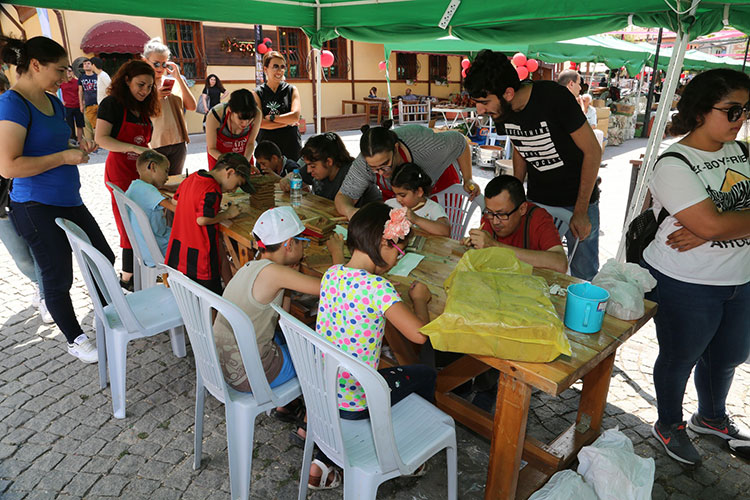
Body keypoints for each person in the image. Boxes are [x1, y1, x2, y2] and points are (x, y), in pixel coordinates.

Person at [641, 69, 750, 465]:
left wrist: (713, 228)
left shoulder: (739, 152)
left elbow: (712, 224)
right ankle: (669, 423)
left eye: (745, 110)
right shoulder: (674, 162)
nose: (741, 119)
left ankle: (711, 417)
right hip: (685, 282)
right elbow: (710, 223)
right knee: (679, 357)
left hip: (740, 277)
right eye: (733, 110)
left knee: (729, 356)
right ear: (702, 110)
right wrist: (711, 228)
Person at [0, 35, 109, 363]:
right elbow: (8, 164)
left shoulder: (56, 102)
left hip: (68, 198)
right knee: (58, 274)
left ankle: (108, 315)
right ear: (35, 65)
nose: (66, 77)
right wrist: (63, 158)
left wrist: (78, 150)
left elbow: (58, 146)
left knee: (103, 257)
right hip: (35, 205)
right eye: (60, 70)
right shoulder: (12, 103)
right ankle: (75, 338)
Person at [465, 50, 602, 280]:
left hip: (579, 199)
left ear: (508, 93)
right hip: (537, 199)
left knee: (583, 273)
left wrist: (580, 210)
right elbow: (520, 144)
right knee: (536, 270)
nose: (480, 110)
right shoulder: (503, 112)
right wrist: (515, 193)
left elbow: (593, 151)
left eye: (484, 102)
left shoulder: (554, 99)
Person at [317, 202, 436, 419]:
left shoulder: (331, 274)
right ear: (384, 242)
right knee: (426, 373)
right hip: (357, 404)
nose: (398, 258)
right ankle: (417, 429)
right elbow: (419, 335)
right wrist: (419, 299)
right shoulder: (378, 288)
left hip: (325, 391)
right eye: (399, 252)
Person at [96, 60, 160, 291]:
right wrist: (135, 149)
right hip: (120, 174)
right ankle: (127, 278)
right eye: (140, 85)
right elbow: (101, 139)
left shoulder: (141, 110)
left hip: (140, 174)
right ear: (126, 80)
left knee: (143, 224)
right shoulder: (111, 104)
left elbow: (144, 141)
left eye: (150, 86)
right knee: (128, 226)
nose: (145, 91)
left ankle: (140, 272)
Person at [334, 121, 480, 220]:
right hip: (403, 197)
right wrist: (351, 212)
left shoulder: (424, 143)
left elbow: (460, 143)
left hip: (440, 186)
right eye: (374, 168)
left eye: (386, 164)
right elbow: (343, 196)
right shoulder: (364, 163)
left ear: (396, 148)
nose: (381, 172)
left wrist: (468, 178)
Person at [0, 71, 51, 323]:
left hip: (25, 197)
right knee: (21, 257)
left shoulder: (17, 116)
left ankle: (47, 295)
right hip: (1, 208)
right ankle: (40, 286)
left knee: (39, 250)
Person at [165, 152, 251, 294]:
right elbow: (202, 219)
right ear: (229, 172)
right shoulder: (212, 188)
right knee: (209, 299)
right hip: (200, 258)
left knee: (190, 297)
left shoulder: (193, 177)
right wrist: (227, 214)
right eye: (237, 184)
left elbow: (175, 200)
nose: (234, 190)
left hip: (180, 251)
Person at [462, 175, 567, 273]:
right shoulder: (489, 216)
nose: (495, 221)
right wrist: (475, 244)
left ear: (522, 209)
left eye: (502, 214)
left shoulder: (538, 218)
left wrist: (495, 245)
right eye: (489, 212)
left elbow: (560, 264)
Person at [142, 37, 196, 175]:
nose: (161, 68)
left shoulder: (174, 82)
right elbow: (138, 111)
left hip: (178, 141)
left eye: (164, 64)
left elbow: (192, 106)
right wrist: (155, 96)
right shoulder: (141, 85)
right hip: (154, 143)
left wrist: (178, 77)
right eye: (156, 64)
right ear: (145, 61)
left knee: (175, 182)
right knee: (157, 184)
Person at [279, 132, 380, 204]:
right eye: (308, 165)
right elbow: (295, 175)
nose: (309, 170)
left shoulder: (352, 175)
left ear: (329, 162)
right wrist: (287, 179)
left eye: (312, 166)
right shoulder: (316, 169)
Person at [125, 149, 174, 267]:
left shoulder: (135, 186)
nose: (167, 177)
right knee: (196, 238)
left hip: (144, 248)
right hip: (159, 249)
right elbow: (176, 208)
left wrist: (168, 188)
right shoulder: (149, 190)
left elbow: (151, 193)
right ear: (153, 167)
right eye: (166, 171)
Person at [255, 51, 302, 161]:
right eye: (275, 66)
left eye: (282, 67)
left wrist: (273, 118)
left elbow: (295, 117)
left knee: (292, 176)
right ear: (265, 69)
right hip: (267, 149)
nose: (279, 70)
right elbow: (260, 123)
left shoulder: (292, 90)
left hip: (291, 146)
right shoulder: (257, 93)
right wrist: (288, 122)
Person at [385, 162, 450, 237]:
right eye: (395, 194)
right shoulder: (390, 205)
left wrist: (416, 219)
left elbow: (445, 231)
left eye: (402, 195)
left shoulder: (433, 208)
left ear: (419, 192)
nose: (398, 199)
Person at [205, 88, 261, 169]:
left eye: (250, 119)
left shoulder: (257, 113)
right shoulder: (215, 115)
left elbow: (250, 143)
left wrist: (244, 162)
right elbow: (211, 148)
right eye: (240, 119)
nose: (245, 123)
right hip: (219, 155)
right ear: (230, 109)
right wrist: (229, 163)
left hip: (244, 154)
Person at [60, 66, 83, 144]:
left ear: (73, 72)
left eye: (69, 71)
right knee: (69, 125)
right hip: (67, 107)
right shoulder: (62, 82)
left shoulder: (77, 82)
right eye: (66, 71)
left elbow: (81, 92)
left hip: (77, 106)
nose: (68, 73)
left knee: (79, 124)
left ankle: (79, 140)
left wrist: (82, 103)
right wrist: (60, 101)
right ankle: (72, 140)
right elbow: (53, 90)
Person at [77, 58, 97, 140]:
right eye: (84, 64)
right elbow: (80, 91)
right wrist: (81, 104)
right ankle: (90, 142)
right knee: (87, 125)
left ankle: (98, 143)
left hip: (97, 103)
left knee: (96, 125)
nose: (86, 65)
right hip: (87, 103)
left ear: (92, 65)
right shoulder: (81, 77)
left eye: (88, 63)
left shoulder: (97, 76)